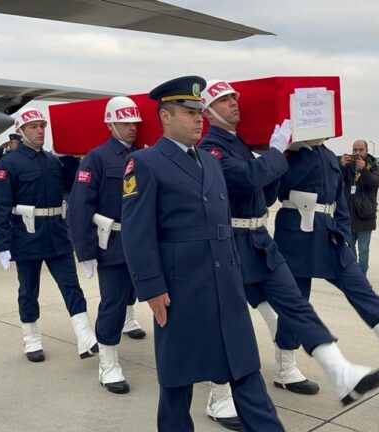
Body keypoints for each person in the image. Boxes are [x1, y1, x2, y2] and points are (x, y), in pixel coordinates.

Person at [198, 80, 379, 428]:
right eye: (224, 101)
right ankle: (219, 396)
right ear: (207, 112)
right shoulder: (211, 148)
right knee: (227, 319)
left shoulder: (240, 144)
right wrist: (276, 151)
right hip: (229, 242)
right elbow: (248, 177)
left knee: (294, 303)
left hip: (258, 239)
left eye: (234, 99)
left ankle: (324, 369)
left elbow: (266, 192)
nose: (233, 104)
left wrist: (282, 156)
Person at [120, 76, 284, 432]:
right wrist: (150, 287)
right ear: (165, 116)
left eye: (199, 112)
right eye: (189, 112)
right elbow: (136, 231)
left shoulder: (210, 161)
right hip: (181, 289)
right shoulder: (144, 162)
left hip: (226, 283)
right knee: (178, 383)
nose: (199, 119)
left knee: (246, 371)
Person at [275, 139, 379, 378]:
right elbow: (279, 189)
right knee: (297, 300)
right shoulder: (293, 154)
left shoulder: (328, 155)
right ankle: (285, 366)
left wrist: (343, 235)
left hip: (329, 234)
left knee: (359, 285)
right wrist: (294, 151)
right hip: (297, 235)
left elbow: (339, 199)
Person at [0, 106, 98, 363]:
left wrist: (71, 157)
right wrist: (1, 242)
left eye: (42, 126)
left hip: (57, 234)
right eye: (33, 127)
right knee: (29, 289)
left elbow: (77, 183)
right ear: (21, 131)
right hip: (26, 235)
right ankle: (31, 336)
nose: (39, 131)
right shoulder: (9, 163)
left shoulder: (54, 160)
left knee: (71, 285)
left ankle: (84, 335)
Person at [68, 96, 147, 395]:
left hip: (141, 242)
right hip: (112, 243)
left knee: (135, 294)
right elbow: (80, 207)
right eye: (125, 123)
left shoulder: (142, 157)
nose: (132, 129)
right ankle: (108, 362)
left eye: (135, 123)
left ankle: (130, 325)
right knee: (112, 301)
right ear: (111, 123)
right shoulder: (96, 158)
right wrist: (86, 251)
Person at [339, 139, 379, 274]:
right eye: (355, 150)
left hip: (365, 215)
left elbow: (374, 184)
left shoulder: (373, 166)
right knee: (350, 249)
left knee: (363, 250)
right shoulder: (348, 166)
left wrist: (364, 169)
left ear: (366, 151)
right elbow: (336, 181)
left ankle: (361, 275)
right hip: (349, 215)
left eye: (361, 150)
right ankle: (354, 274)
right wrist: (341, 166)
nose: (357, 153)